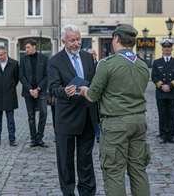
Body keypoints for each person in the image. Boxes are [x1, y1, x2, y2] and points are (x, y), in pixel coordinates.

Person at [78, 23, 150, 196]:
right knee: (138, 169)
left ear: (116, 38)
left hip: (116, 122)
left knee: (114, 171)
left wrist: (83, 90)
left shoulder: (107, 63)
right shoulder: (142, 65)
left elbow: (93, 95)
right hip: (139, 120)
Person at [48, 24, 98, 196]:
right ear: (63, 41)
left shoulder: (87, 57)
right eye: (72, 40)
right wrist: (64, 91)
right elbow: (53, 88)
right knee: (66, 161)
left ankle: (87, 192)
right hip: (67, 117)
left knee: (86, 159)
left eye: (78, 39)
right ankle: (68, 192)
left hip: (87, 116)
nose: (76, 43)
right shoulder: (55, 61)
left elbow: (93, 83)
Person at [151, 39, 174, 144]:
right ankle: (163, 135)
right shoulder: (156, 62)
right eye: (165, 47)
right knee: (162, 115)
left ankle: (171, 135)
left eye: (168, 47)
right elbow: (154, 77)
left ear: (172, 49)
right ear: (162, 49)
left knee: (172, 115)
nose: (167, 49)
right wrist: (162, 86)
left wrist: (169, 86)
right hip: (161, 93)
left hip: (172, 92)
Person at [19, 39, 48, 148]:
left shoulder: (44, 58)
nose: (26, 50)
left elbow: (47, 75)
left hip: (41, 91)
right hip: (28, 92)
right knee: (31, 116)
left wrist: (38, 89)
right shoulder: (23, 60)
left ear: (34, 46)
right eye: (25, 48)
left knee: (44, 113)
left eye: (28, 47)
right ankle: (33, 139)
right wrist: (31, 89)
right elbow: (21, 76)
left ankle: (39, 138)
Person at [0, 46, 19, 147]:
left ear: (6, 53)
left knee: (10, 120)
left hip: (10, 94)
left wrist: (9, 87)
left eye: (1, 55)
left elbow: (16, 79)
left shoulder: (14, 63)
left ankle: (12, 139)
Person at [87, 48, 102, 143]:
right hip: (87, 93)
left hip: (97, 93)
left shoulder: (99, 65)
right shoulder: (85, 65)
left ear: (95, 55)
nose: (89, 56)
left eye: (91, 54)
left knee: (98, 114)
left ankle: (98, 134)